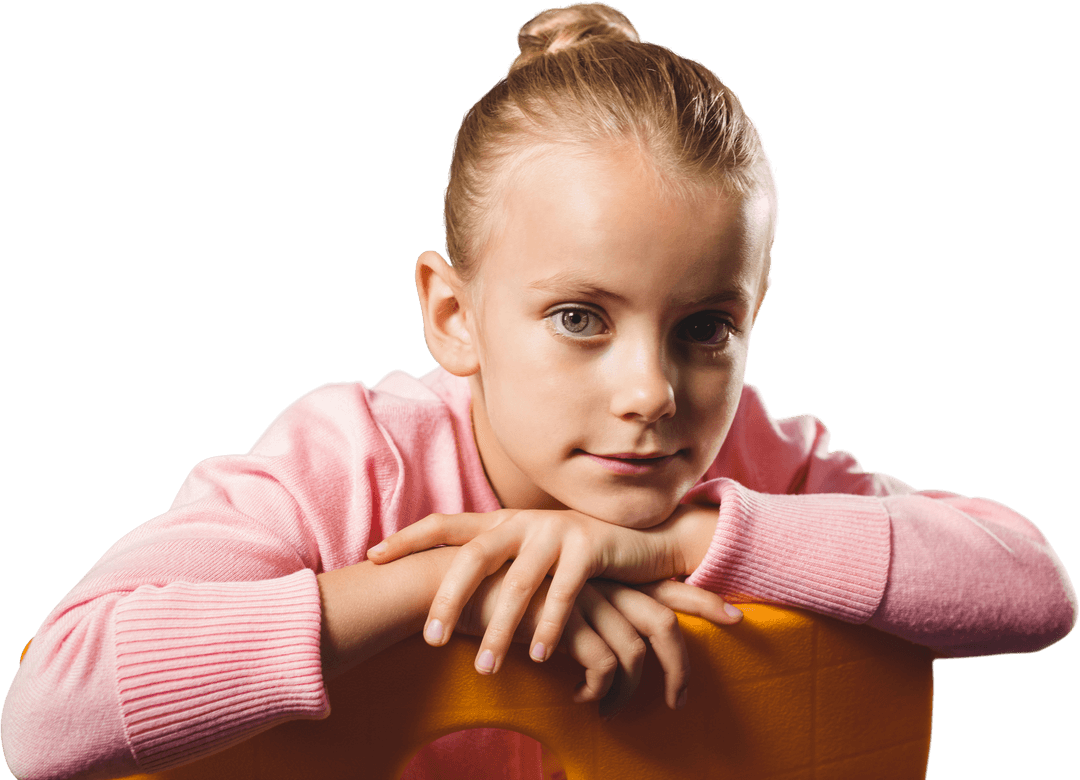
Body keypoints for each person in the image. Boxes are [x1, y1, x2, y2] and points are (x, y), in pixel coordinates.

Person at [3, 3, 1075, 779]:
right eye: (579, 318)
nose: (652, 392)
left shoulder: (755, 459)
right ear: (453, 315)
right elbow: (48, 717)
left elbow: (1031, 588)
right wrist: (455, 578)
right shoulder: (353, 466)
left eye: (706, 329)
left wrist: (679, 543)